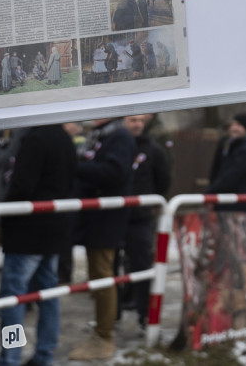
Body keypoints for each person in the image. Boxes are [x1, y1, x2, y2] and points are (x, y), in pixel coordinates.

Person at [0, 124, 77, 366]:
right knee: (49, 294)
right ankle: (44, 354)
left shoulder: (34, 138)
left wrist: (4, 210)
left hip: (27, 229)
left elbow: (22, 184)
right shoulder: (64, 137)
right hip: (54, 227)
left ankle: (9, 358)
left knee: (12, 299)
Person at [68, 119, 135, 361]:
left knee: (103, 276)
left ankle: (104, 337)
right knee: (98, 277)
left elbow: (113, 173)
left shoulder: (119, 137)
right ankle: (101, 332)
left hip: (107, 218)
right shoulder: (102, 136)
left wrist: (75, 166)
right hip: (97, 218)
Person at [121, 115, 171, 330]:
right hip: (114, 217)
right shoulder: (117, 144)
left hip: (140, 219)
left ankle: (145, 317)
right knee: (111, 269)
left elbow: (164, 179)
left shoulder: (153, 149)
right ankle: (111, 316)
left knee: (142, 267)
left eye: (140, 121)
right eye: (133, 120)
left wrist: (151, 202)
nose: (137, 124)